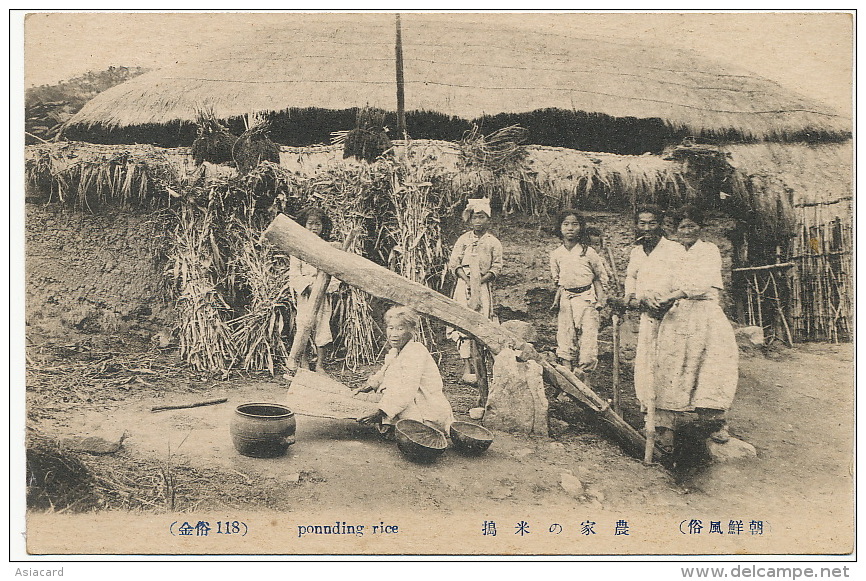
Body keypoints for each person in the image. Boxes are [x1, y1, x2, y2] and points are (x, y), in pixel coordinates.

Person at [652, 205, 739, 449]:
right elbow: (664, 280)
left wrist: (674, 294)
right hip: (679, 314)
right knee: (671, 366)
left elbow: (702, 282)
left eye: (691, 225)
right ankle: (665, 426)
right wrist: (658, 296)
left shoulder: (709, 250)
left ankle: (715, 423)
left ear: (700, 227)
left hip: (705, 313)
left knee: (712, 366)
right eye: (682, 227)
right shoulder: (674, 253)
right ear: (676, 230)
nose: (687, 230)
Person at [624, 204, 686, 451]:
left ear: (661, 225)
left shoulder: (675, 250)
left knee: (668, 367)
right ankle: (649, 418)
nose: (647, 229)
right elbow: (632, 278)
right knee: (646, 364)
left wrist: (667, 299)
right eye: (642, 223)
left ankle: (667, 426)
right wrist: (635, 297)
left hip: (672, 315)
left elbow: (684, 281)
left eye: (652, 223)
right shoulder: (637, 252)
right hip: (647, 313)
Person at [354, 306, 455, 435]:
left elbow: (406, 389)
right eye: (391, 328)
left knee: (413, 428)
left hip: (427, 407)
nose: (394, 334)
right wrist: (368, 386)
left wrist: (381, 412)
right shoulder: (395, 352)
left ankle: (411, 428)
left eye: (400, 329)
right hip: (411, 402)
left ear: (411, 331)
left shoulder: (415, 351)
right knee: (389, 391)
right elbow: (384, 373)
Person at [446, 197, 503, 385]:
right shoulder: (463, 240)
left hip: (483, 285)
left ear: (488, 219)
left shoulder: (493, 242)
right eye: (475, 217)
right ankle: (467, 367)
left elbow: (497, 267)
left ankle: (481, 367)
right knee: (463, 322)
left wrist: (480, 281)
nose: (478, 221)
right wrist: (468, 280)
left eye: (482, 217)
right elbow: (454, 263)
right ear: (470, 220)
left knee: (481, 321)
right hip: (465, 284)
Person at [549, 210, 609, 372]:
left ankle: (584, 377)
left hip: (586, 299)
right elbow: (559, 282)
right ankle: (568, 379)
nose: (570, 228)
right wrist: (557, 301)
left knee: (588, 339)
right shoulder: (556, 254)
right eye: (566, 224)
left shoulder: (588, 252)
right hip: (566, 300)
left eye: (575, 224)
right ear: (559, 228)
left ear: (581, 228)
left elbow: (599, 277)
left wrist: (600, 299)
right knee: (565, 338)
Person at [289, 206, 341, 372]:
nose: (313, 228)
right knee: (303, 325)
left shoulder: (328, 247)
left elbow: (336, 274)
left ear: (323, 226)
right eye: (310, 224)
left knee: (323, 326)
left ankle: (319, 365)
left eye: (317, 224)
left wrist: (324, 287)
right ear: (304, 225)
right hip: (305, 295)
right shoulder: (297, 249)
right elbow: (294, 275)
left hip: (323, 294)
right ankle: (303, 364)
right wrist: (308, 286)